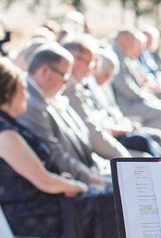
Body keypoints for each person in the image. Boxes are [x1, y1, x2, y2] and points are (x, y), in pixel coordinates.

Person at [0, 57, 123, 238]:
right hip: (30, 213)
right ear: (8, 91)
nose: (26, 91)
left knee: (106, 199)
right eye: (22, 86)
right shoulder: (5, 133)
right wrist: (78, 186)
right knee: (107, 203)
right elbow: (43, 180)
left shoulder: (10, 126)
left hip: (40, 203)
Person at [18, 46, 106, 186]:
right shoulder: (31, 104)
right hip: (67, 184)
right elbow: (54, 153)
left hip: (84, 171)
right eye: (64, 75)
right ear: (45, 71)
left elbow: (77, 137)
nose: (67, 82)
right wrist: (89, 177)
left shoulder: (49, 97)